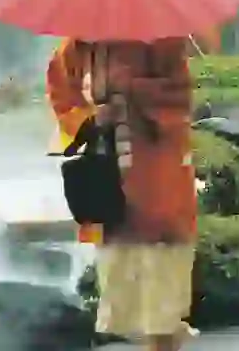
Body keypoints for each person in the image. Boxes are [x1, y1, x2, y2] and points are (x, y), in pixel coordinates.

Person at [47, 37, 197, 351]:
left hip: (158, 173)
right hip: (109, 176)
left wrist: (133, 94)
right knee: (127, 287)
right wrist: (89, 118)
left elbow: (179, 94)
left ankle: (165, 340)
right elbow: (61, 96)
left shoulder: (160, 39)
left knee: (163, 276)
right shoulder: (76, 47)